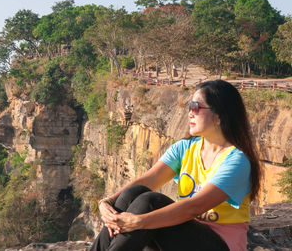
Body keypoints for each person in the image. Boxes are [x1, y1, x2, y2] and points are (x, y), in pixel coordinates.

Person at [90, 79, 262, 251]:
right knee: (134, 192)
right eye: (189, 107)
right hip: (183, 238)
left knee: (150, 202)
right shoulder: (185, 148)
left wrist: (139, 221)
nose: (190, 113)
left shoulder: (236, 161)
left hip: (220, 244)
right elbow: (149, 179)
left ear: (219, 117)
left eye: (196, 107)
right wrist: (108, 203)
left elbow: (193, 208)